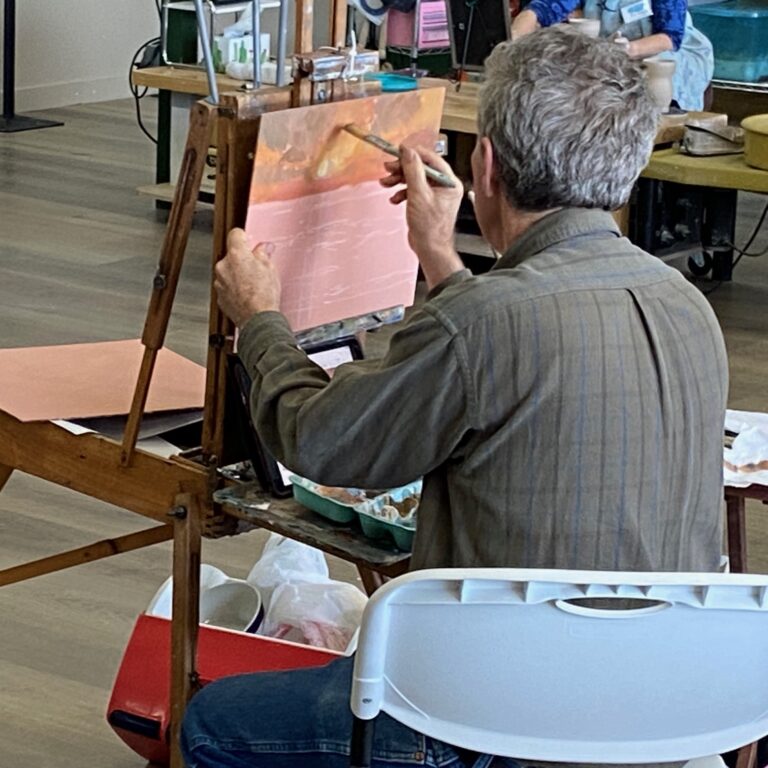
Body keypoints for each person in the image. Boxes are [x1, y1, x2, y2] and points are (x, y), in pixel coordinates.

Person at [181, 27, 728, 768]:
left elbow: (317, 440)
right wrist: (442, 259)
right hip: (658, 708)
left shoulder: (480, 324)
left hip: (490, 716)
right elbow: (520, 365)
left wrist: (261, 321)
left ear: (487, 164)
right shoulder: (688, 307)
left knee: (212, 723)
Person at [511, 0, 714, 111]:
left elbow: (671, 37)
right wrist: (515, 37)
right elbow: (544, 9)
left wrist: (628, 50)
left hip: (664, 51)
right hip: (607, 50)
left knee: (654, 84)